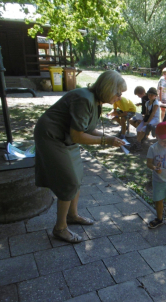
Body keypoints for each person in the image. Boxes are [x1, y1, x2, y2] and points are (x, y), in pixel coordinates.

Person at [34, 70, 126, 243]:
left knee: (77, 176)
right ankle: (60, 228)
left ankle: (72, 215)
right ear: (107, 88)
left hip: (66, 136)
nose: (119, 97)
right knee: (70, 181)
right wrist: (107, 141)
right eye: (118, 93)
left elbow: (87, 129)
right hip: (51, 137)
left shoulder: (96, 100)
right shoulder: (84, 99)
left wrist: (112, 139)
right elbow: (78, 136)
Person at [130, 87, 160, 151]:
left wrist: (147, 122)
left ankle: (137, 143)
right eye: (149, 94)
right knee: (138, 128)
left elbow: (153, 113)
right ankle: (139, 143)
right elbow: (147, 113)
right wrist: (142, 118)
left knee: (144, 128)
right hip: (149, 118)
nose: (150, 96)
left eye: (151, 95)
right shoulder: (147, 103)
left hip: (155, 119)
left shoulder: (156, 103)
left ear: (155, 96)